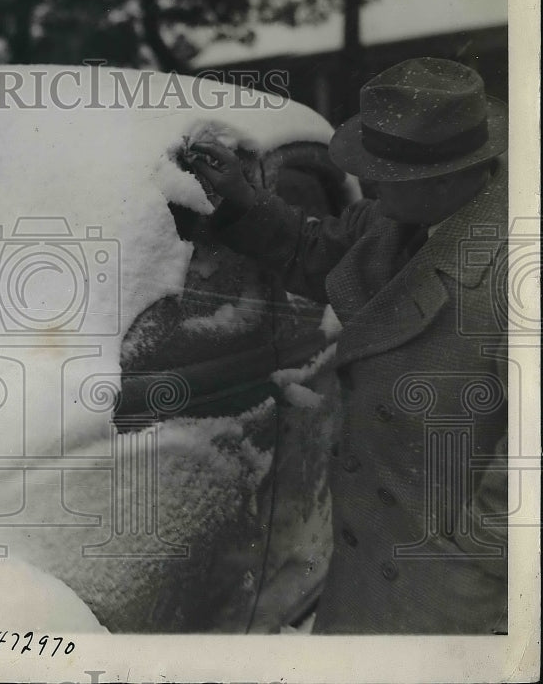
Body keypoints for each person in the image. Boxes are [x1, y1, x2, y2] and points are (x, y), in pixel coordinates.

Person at [188, 58, 509, 634]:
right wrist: (240, 198)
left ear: (446, 176)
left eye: (385, 172)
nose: (372, 183)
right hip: (369, 571)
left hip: (449, 599)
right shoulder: (397, 223)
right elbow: (317, 251)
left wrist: (466, 577)